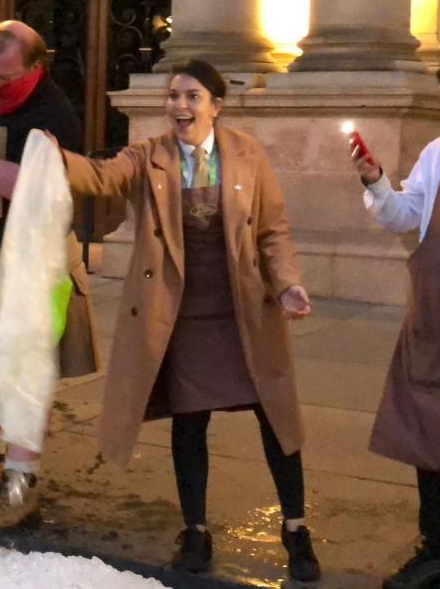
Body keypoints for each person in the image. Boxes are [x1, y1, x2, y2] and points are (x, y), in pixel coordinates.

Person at [54, 59, 319, 580]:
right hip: (181, 316)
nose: (179, 105)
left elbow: (272, 231)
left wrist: (288, 283)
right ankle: (195, 531)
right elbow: (104, 177)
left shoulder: (247, 155)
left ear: (215, 106)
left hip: (244, 312)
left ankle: (295, 528)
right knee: (189, 423)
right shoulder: (150, 155)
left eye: (192, 96)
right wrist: (53, 157)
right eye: (174, 96)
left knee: (278, 421)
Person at [0, 20, 100, 529]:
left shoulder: (54, 114)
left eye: (5, 78)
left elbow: (25, 184)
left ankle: (20, 482)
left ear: (35, 67)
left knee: (27, 371)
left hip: (39, 262)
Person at [352, 45, 440, 589]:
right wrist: (375, 179)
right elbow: (403, 215)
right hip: (435, 323)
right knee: (430, 439)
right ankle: (439, 552)